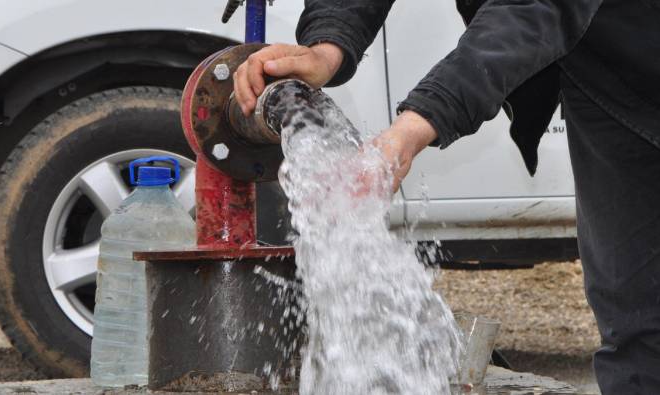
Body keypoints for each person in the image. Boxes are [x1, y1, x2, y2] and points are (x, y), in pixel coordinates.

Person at [233, 0, 660, 393]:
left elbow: (531, 6)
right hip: (609, 77)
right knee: (636, 315)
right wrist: (326, 47)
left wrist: (414, 128)